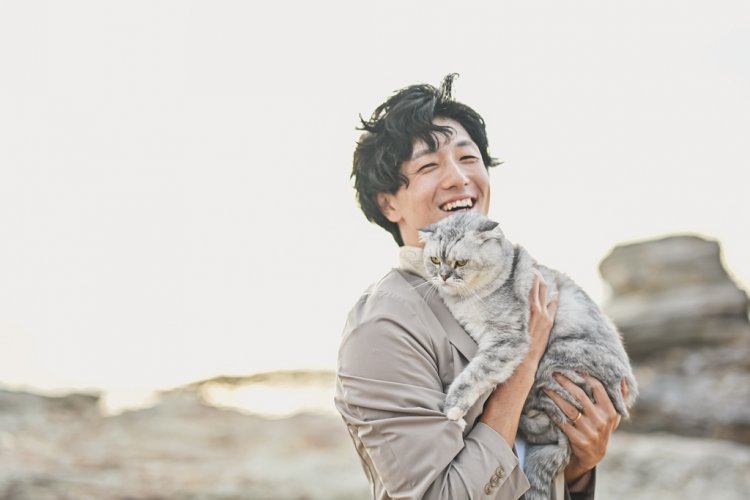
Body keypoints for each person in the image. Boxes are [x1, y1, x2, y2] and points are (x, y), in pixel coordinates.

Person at [334, 74, 625, 499]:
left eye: (468, 158)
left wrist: (580, 465)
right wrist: (520, 365)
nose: (458, 177)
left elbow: (533, 467)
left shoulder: (520, 284)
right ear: (389, 203)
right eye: (429, 166)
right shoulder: (381, 327)